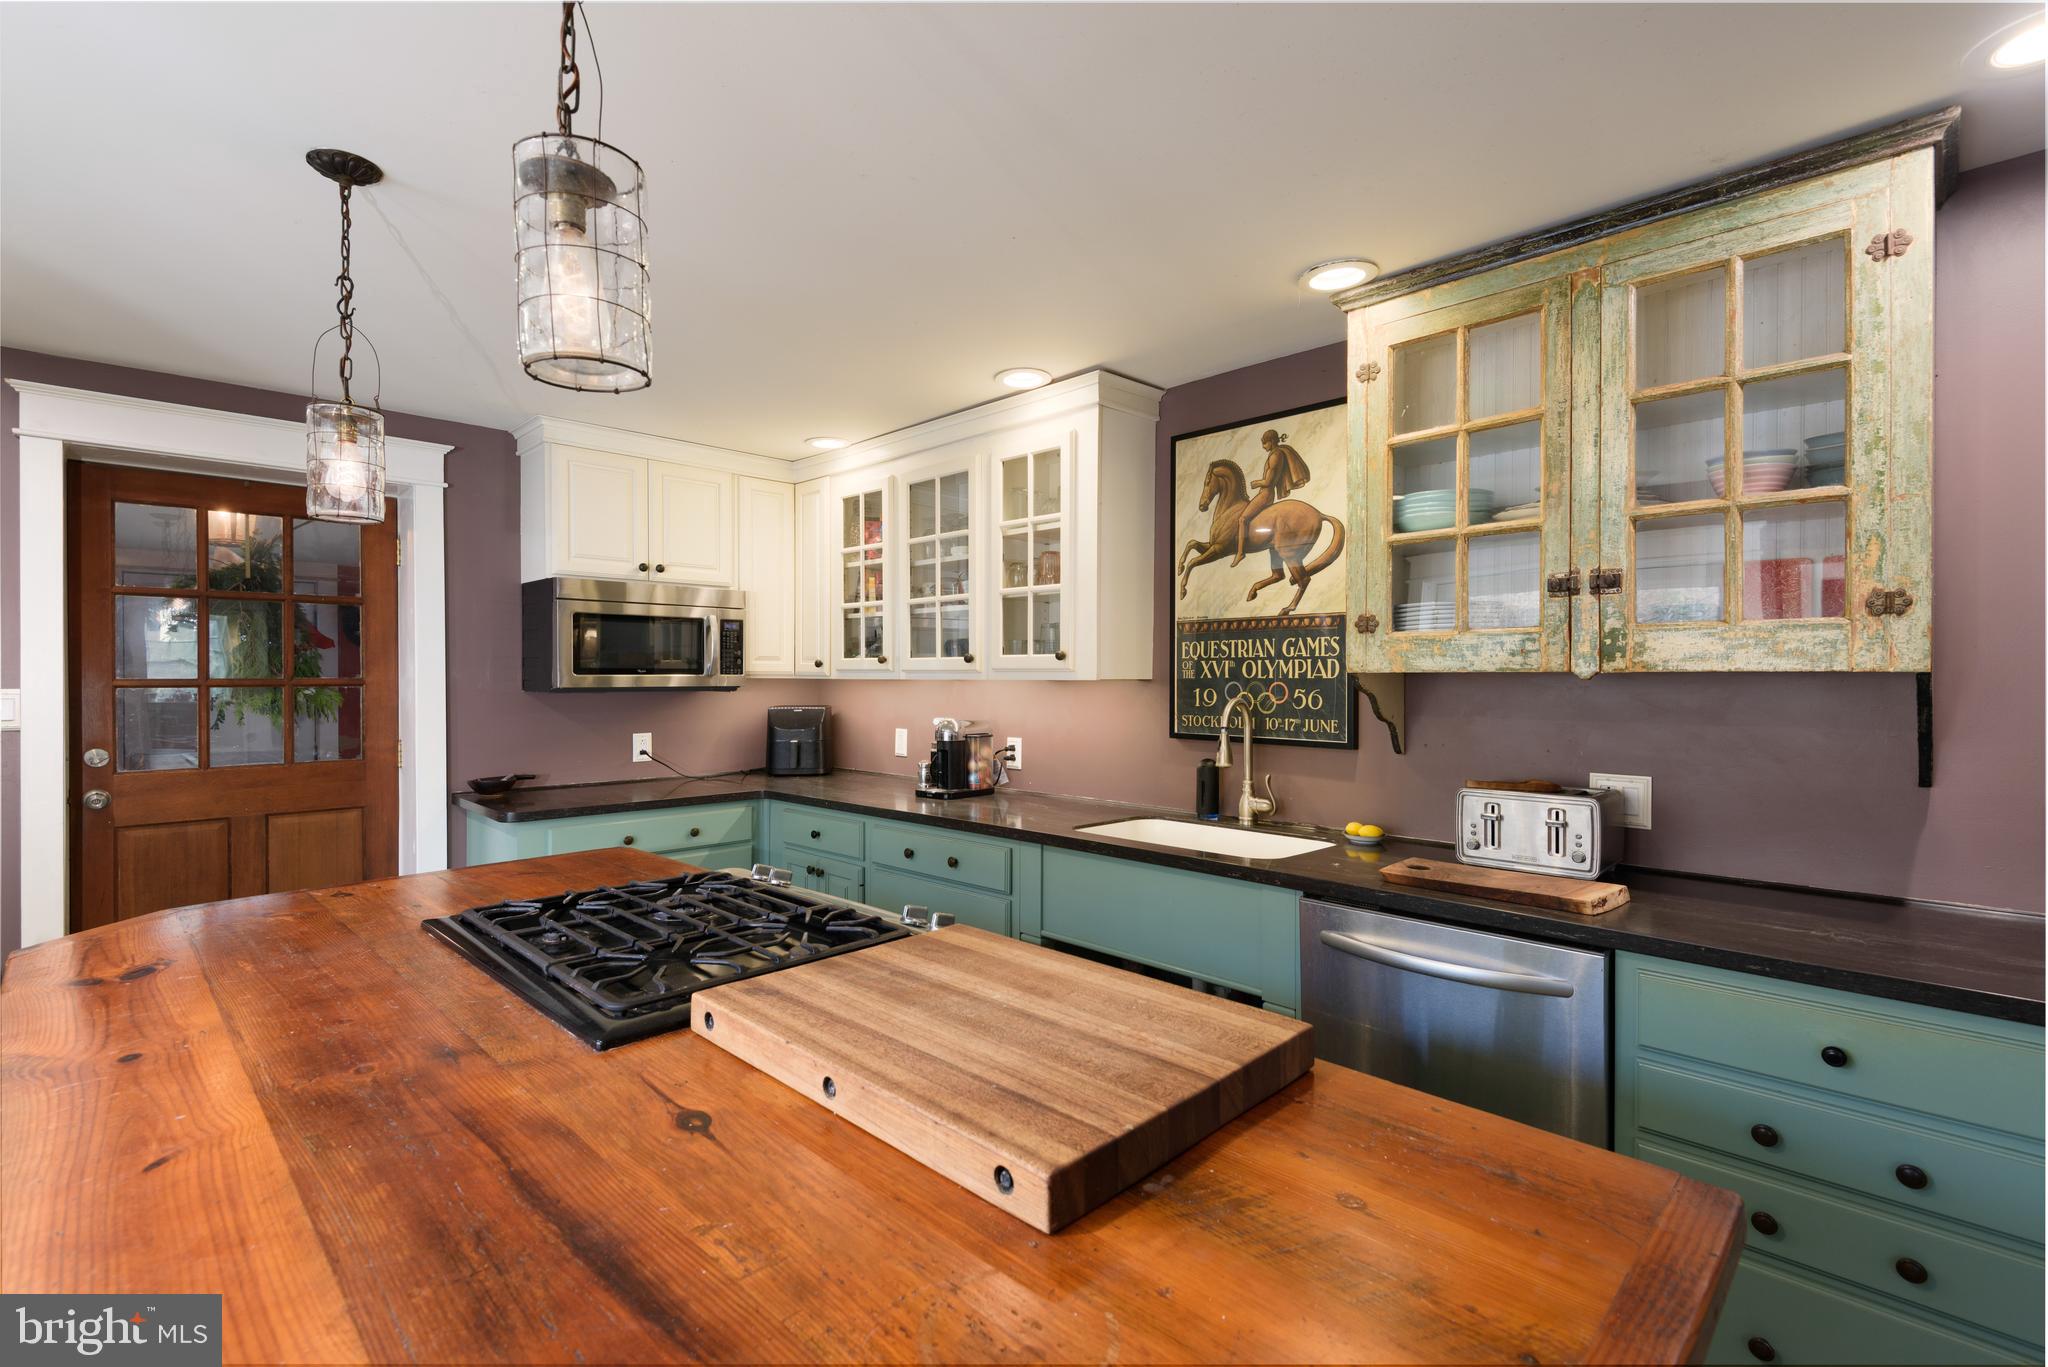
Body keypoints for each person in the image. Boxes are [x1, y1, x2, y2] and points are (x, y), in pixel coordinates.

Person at [1233, 429, 1312, 565]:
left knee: (1242, 519)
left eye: (1264, 443)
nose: (1263, 447)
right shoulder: (1275, 454)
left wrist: (1256, 483)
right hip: (1265, 494)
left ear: (1271, 441)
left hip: (1265, 494)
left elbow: (1269, 482)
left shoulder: (1275, 456)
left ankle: (1240, 553)